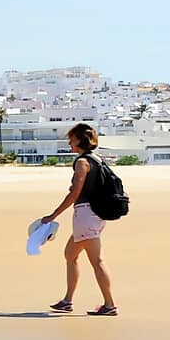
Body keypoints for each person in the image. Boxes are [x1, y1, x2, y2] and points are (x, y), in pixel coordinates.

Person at [40, 124, 118, 316]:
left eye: (72, 139)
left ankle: (109, 305)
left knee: (97, 261)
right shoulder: (98, 159)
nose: (69, 142)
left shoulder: (82, 162)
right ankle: (67, 300)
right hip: (96, 214)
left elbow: (75, 193)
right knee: (70, 254)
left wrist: (53, 215)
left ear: (80, 140)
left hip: (86, 214)